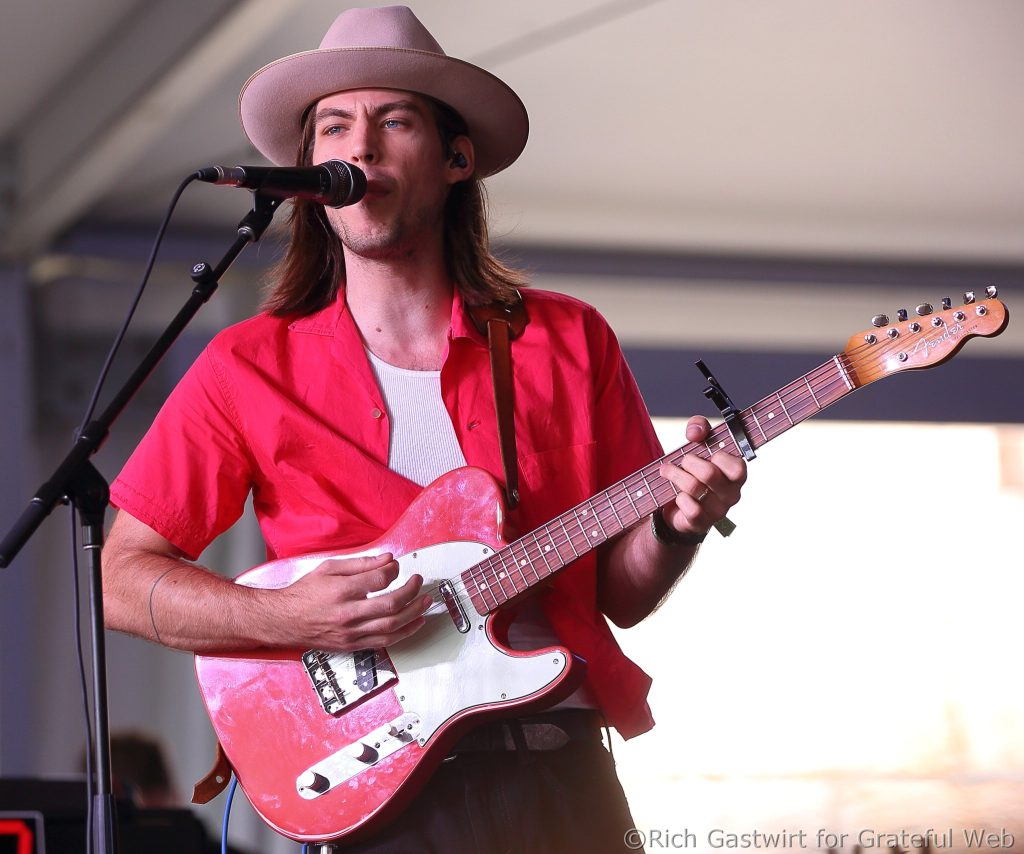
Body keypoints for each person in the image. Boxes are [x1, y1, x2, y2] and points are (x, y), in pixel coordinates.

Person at [102, 6, 746, 851]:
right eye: (335, 126)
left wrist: (677, 523)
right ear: (310, 173)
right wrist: (290, 617)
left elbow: (620, 597)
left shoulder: (569, 339)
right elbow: (122, 581)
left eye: (395, 121)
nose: (361, 149)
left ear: (455, 159)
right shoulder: (244, 367)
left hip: (558, 778)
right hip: (377, 795)